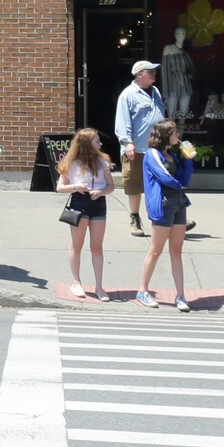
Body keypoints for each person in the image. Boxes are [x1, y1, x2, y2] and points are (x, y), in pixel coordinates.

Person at [137, 118, 196, 311]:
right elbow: (163, 177)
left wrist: (188, 162)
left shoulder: (172, 155)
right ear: (165, 135)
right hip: (162, 205)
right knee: (156, 249)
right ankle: (142, 290)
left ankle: (180, 295)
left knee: (176, 250)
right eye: (174, 133)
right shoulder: (151, 154)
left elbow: (184, 179)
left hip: (178, 203)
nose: (178, 136)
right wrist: (180, 185)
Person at [54, 127, 113, 300]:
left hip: (98, 203)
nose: (100, 143)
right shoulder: (71, 163)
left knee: (97, 246)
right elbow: (60, 187)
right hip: (79, 202)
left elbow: (111, 186)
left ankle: (99, 286)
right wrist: (76, 186)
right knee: (77, 244)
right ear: (87, 144)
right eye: (96, 141)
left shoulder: (103, 161)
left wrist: (101, 192)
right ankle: (76, 282)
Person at [114, 60, 165, 237]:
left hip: (156, 148)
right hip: (136, 149)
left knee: (160, 184)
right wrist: (127, 142)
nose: (154, 73)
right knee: (135, 186)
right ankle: (134, 218)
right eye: (150, 71)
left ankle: (163, 219)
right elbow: (122, 121)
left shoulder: (155, 91)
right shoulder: (128, 95)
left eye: (154, 70)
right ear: (140, 74)